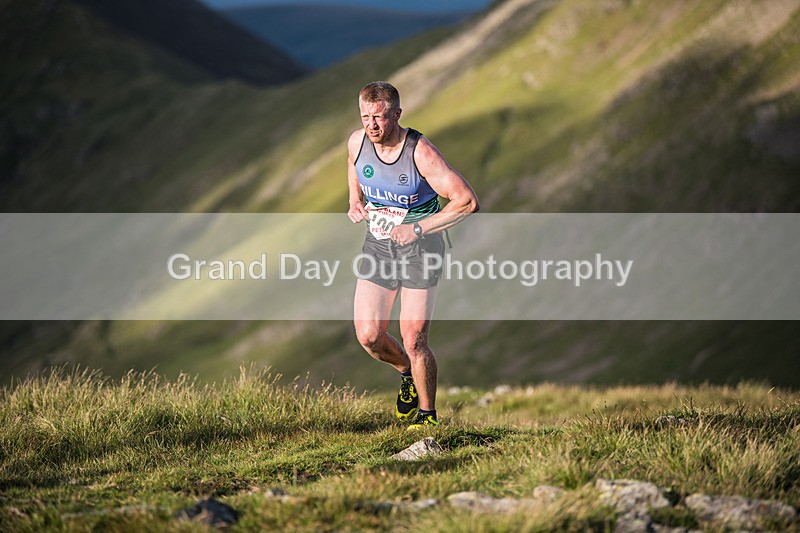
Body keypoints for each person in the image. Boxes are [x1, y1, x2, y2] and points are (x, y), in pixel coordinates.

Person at [347, 81, 479, 429]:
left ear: (397, 114)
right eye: (365, 117)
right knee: (369, 335)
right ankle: (406, 372)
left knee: (414, 337)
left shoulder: (420, 152)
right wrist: (354, 200)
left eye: (379, 117)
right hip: (378, 245)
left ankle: (427, 417)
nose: (372, 125)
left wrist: (417, 229)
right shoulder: (358, 142)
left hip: (422, 249)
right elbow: (353, 164)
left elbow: (467, 201)